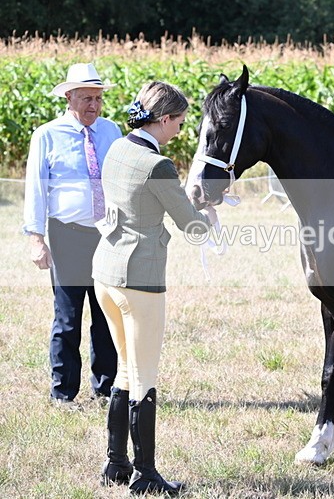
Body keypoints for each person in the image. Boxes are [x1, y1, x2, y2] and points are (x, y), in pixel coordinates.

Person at [92, 81, 214, 495]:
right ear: (163, 120)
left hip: (105, 273)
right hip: (140, 280)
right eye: (178, 122)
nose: (180, 129)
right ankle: (145, 475)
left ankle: (116, 464)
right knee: (144, 377)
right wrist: (209, 212)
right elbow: (191, 226)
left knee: (125, 370)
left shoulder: (116, 148)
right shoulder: (158, 165)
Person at [23, 62, 121, 409]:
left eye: (97, 99)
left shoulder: (112, 132)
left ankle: (106, 389)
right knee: (67, 318)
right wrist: (36, 239)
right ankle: (63, 393)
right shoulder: (46, 135)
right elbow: (36, 189)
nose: (93, 106)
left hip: (107, 235)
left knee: (106, 314)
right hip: (67, 236)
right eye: (85, 99)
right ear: (69, 97)